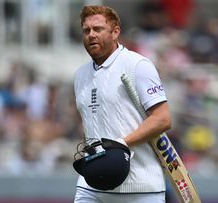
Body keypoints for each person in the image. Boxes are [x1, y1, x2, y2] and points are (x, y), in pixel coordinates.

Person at [73, 5, 172, 203]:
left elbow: (162, 119)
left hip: (140, 187)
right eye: (87, 30)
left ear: (115, 32)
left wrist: (122, 143)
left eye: (98, 29)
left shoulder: (137, 65)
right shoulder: (80, 75)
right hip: (92, 184)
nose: (91, 35)